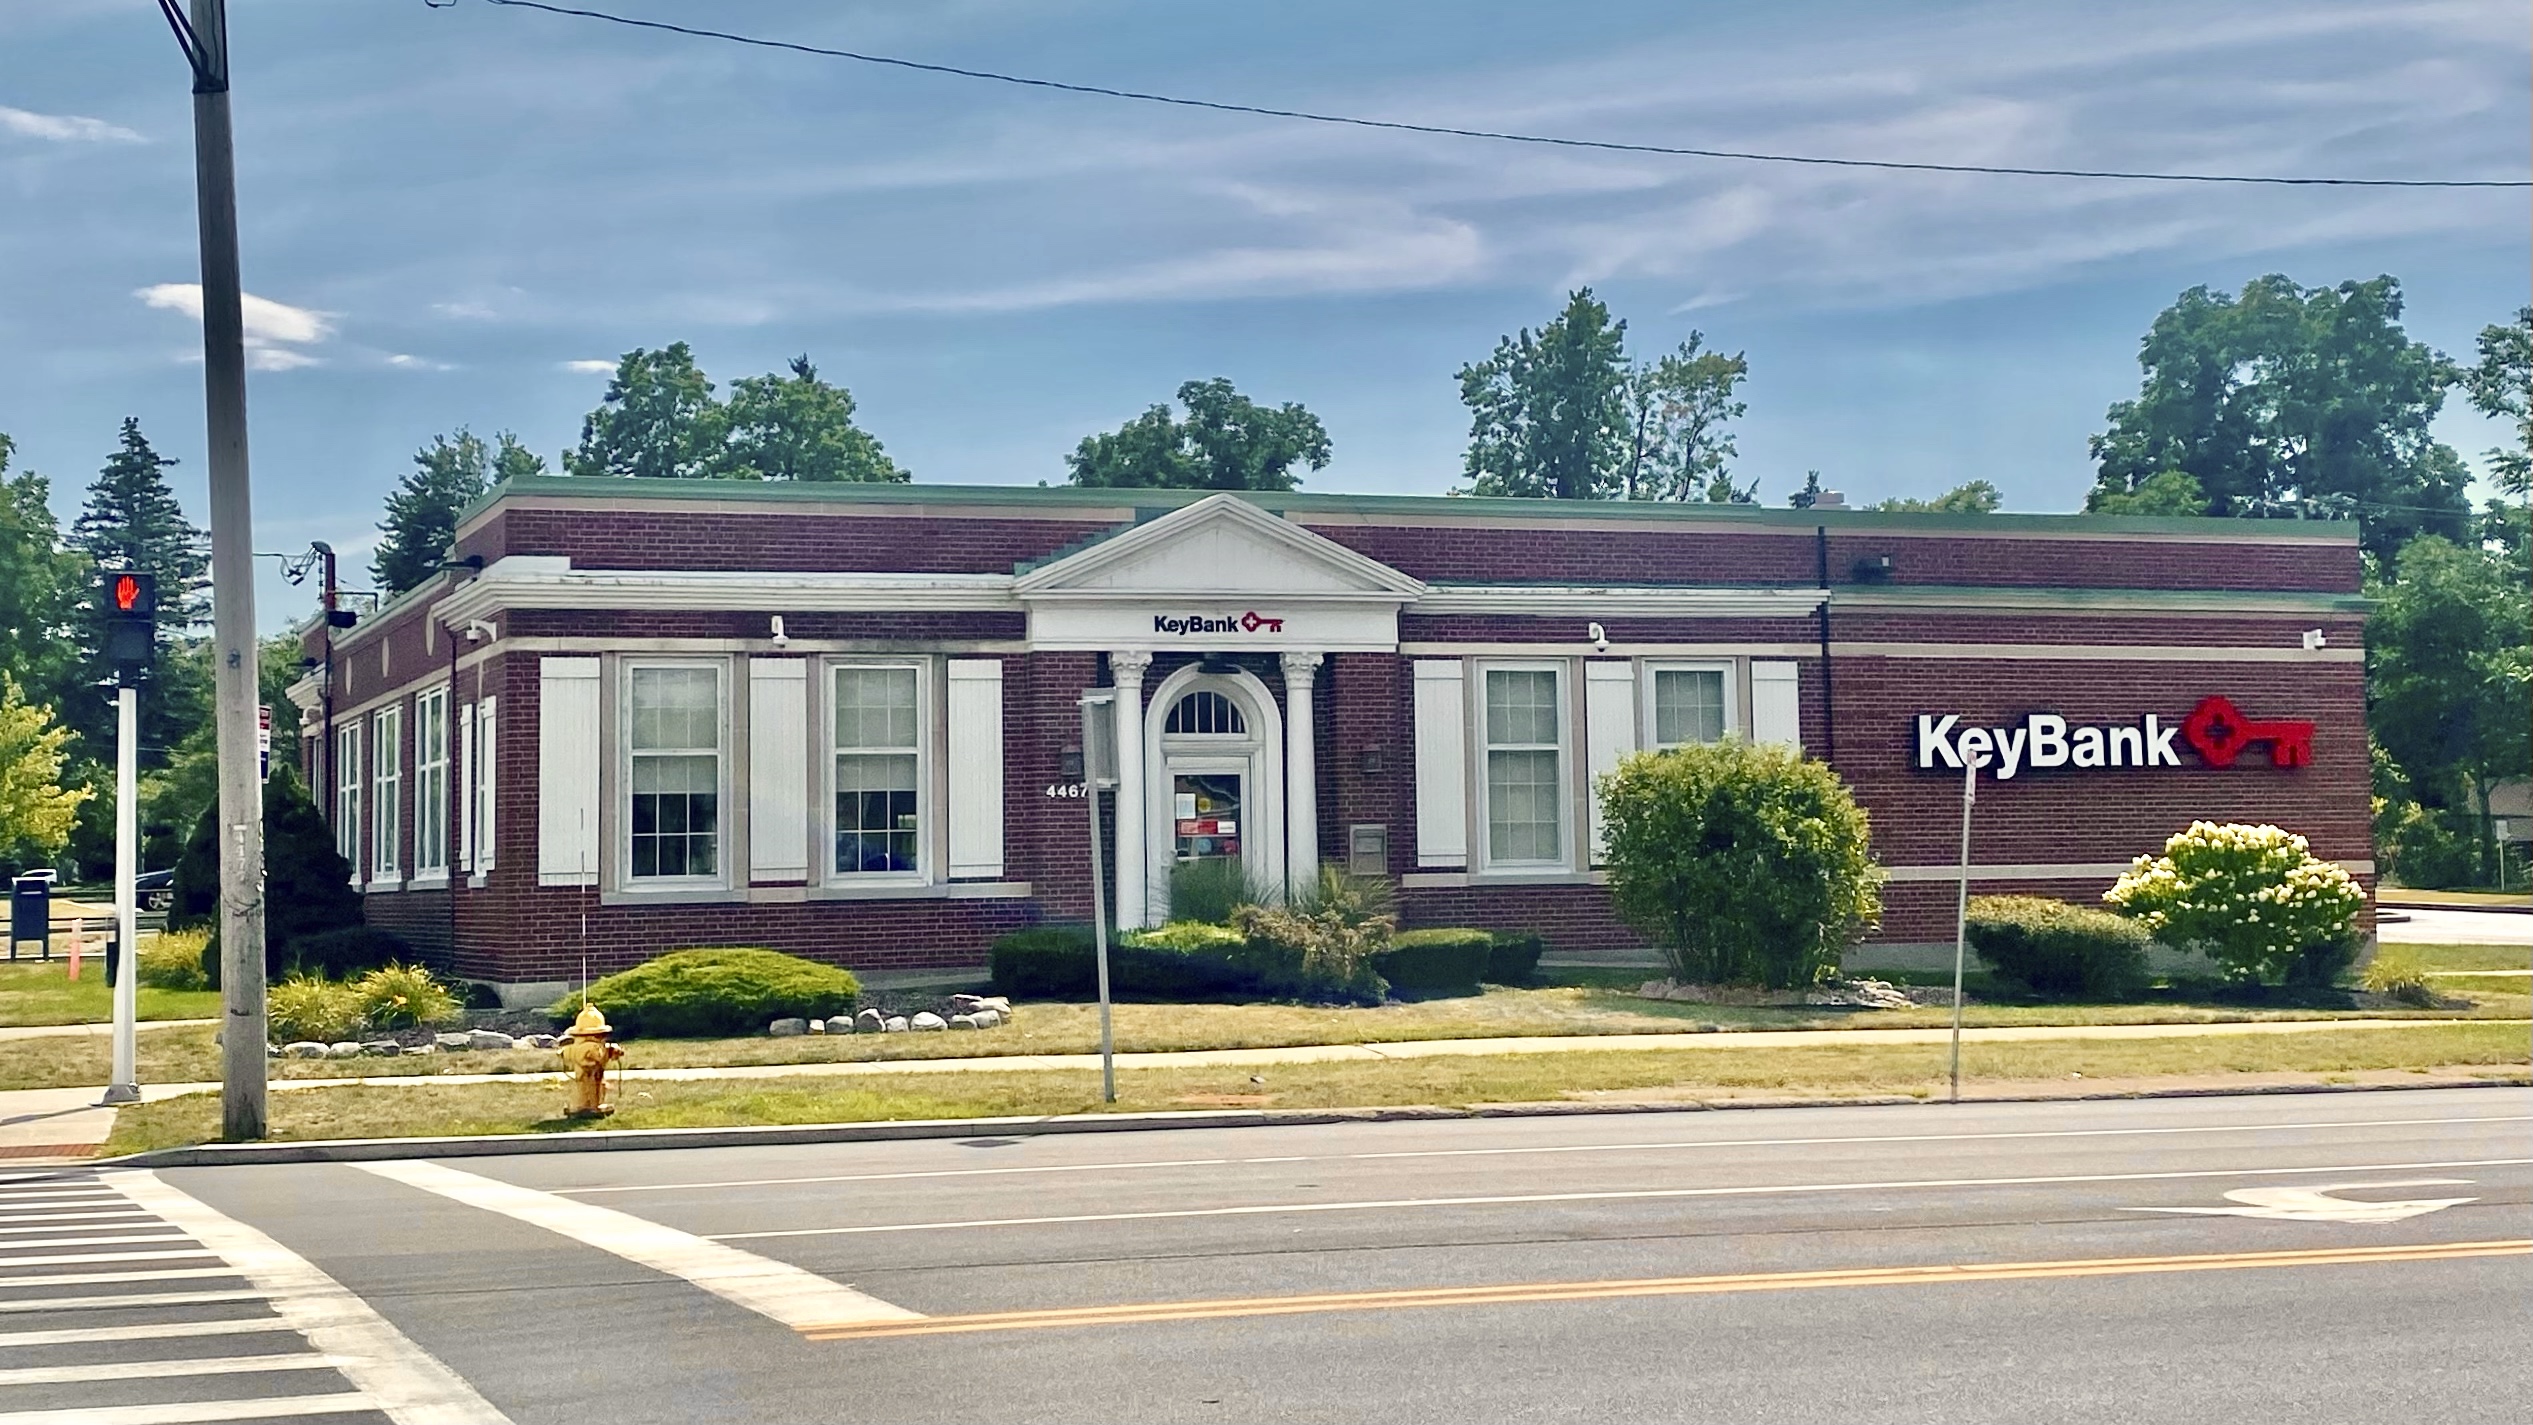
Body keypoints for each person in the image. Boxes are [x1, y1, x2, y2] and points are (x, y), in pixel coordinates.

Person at [556, 1003, 623, 1118]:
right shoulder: (584, 1048)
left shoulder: (597, 1048)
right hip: (583, 1076)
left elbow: (564, 1053)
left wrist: (614, 1051)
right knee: (585, 1090)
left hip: (596, 1075)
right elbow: (565, 1053)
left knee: (598, 1088)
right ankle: (585, 1106)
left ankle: (594, 1106)